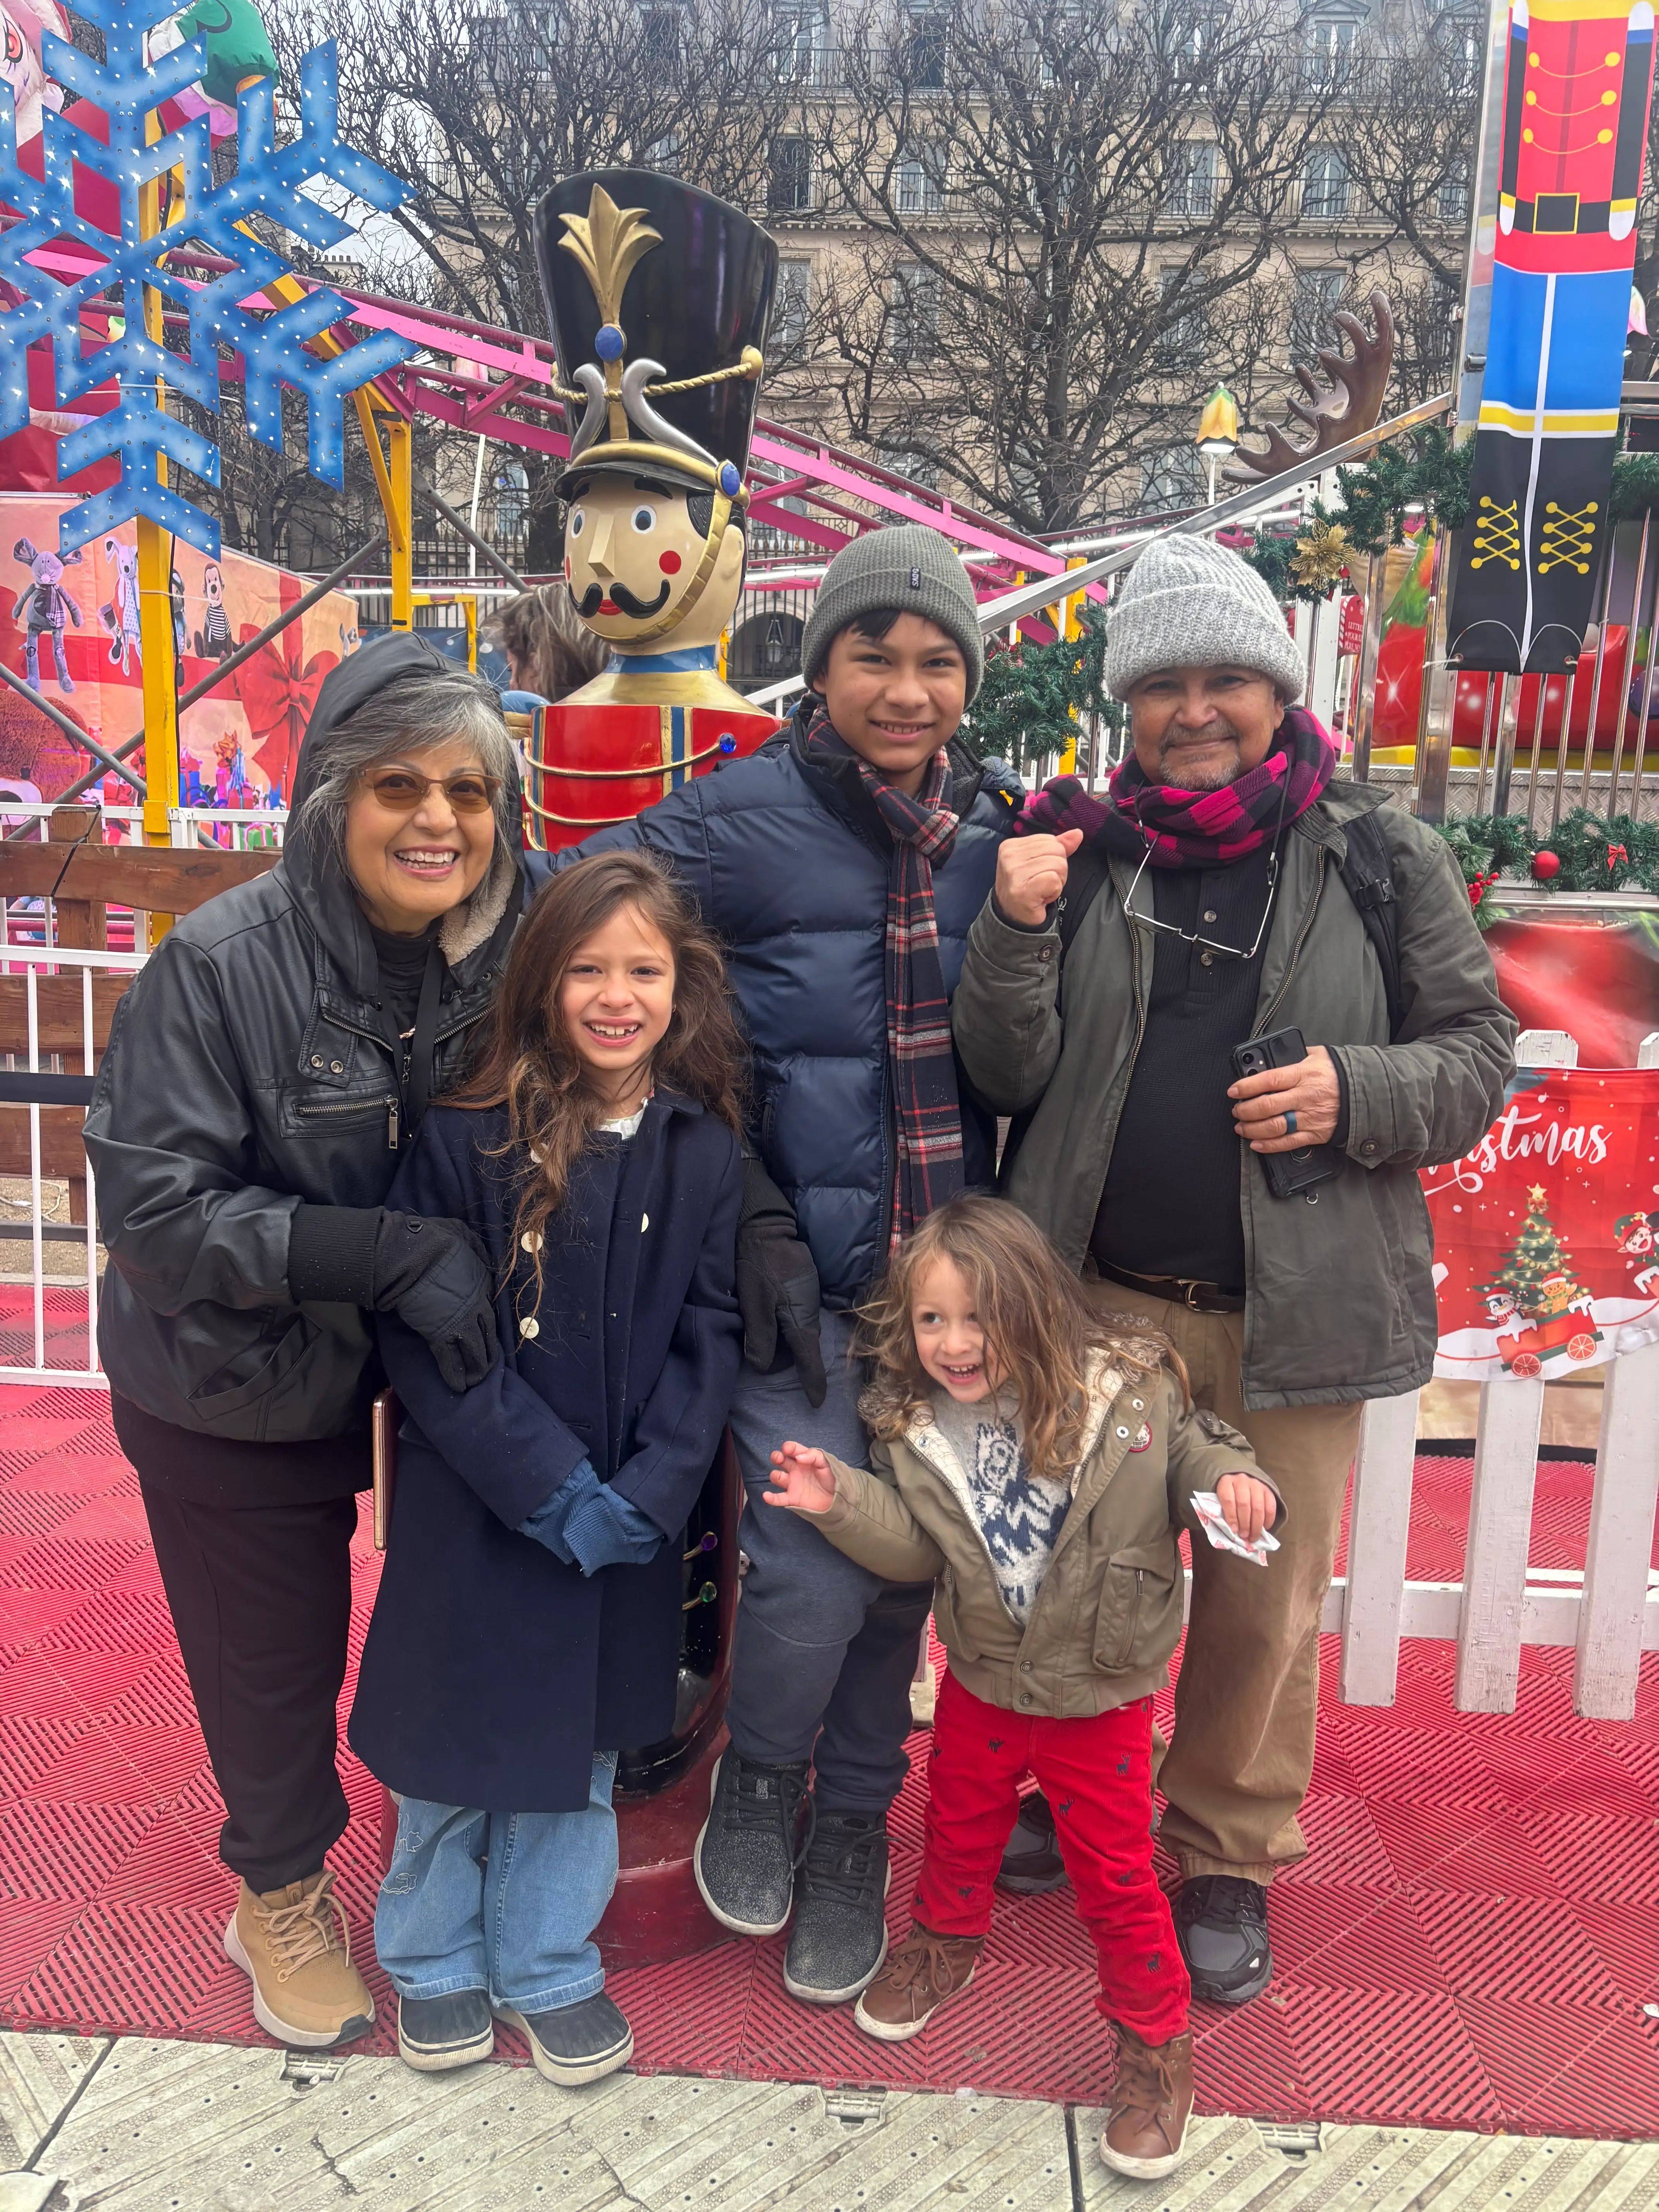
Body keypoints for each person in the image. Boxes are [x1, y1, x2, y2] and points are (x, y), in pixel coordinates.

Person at [951, 534, 1516, 2005]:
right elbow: (1000, 1069)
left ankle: (1221, 1850)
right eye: (1165, 686)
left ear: (1276, 689)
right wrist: (1014, 931)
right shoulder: (1079, 859)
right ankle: (1059, 1785)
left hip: (1291, 1313)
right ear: (1126, 704)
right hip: (1098, 1301)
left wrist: (1354, 1091)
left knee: (1260, 1596)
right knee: (1074, 1570)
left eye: (1226, 681)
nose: (1196, 710)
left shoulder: (1378, 857)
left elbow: (1473, 1062)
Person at [544, 522, 1020, 2007]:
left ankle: (850, 1836)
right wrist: (730, 1191)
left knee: (906, 1579)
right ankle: (760, 1775)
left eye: (936, 659)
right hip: (790, 1285)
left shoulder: (998, 841)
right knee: (814, 1564)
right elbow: (579, 935)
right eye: (873, 651)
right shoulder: (729, 820)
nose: (904, 684)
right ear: (819, 664)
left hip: (944, 1299)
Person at [82, 637, 525, 2051]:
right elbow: (155, 1208)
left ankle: (465, 1860)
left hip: (430, 1375)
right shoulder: (217, 966)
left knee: (457, 1627)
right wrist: (376, 1250)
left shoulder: (509, 950)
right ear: (331, 798)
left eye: (470, 788)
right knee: (272, 1652)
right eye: (401, 783)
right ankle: (275, 1884)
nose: (439, 819)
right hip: (231, 1378)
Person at [763, 1196, 1281, 2180]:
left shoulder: (1129, 1396)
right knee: (957, 1825)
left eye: (979, 1317)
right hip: (985, 1682)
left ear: (1038, 1308)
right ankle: (944, 1944)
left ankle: (1155, 2045)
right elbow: (918, 1550)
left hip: (1101, 1699)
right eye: (931, 1319)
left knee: (1117, 1876)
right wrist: (844, 1503)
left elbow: (1201, 1455)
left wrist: (1235, 1485)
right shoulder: (915, 1428)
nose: (955, 1344)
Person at [349, 852, 744, 2083]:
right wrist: (544, 1483)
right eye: (587, 966)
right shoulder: (467, 1135)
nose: (615, 994)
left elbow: (711, 1330)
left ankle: (546, 1957)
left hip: (625, 1515)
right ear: (541, 978)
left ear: (683, 986)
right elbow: (423, 1334)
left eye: (644, 968)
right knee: (452, 1752)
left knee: (576, 1759)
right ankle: (429, 1954)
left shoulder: (701, 1149)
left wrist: (649, 1490)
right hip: (481, 1507)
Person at [490, 579, 608, 712]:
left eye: (512, 670)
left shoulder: (542, 727)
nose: (512, 685)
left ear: (537, 664)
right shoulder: (621, 709)